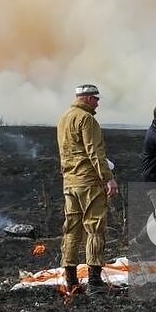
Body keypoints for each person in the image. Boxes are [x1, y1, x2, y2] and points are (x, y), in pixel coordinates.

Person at [57, 83, 118, 294]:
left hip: (70, 182)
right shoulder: (87, 119)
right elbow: (94, 152)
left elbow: (64, 152)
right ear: (88, 98)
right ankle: (94, 281)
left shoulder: (64, 118)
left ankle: (71, 280)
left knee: (72, 229)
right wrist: (108, 178)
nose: (98, 103)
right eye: (96, 99)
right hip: (89, 183)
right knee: (95, 228)